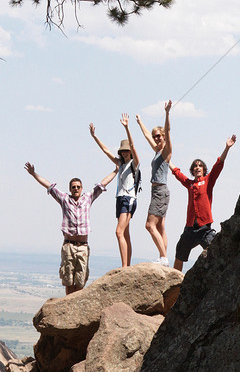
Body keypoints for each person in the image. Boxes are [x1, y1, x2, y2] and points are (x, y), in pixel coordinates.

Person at [25, 161, 117, 294]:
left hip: (83, 246)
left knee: (80, 280)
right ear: (70, 189)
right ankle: (68, 308)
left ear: (82, 188)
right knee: (68, 280)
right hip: (69, 246)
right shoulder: (64, 199)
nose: (76, 189)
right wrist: (34, 174)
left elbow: (103, 183)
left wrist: (116, 171)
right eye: (73, 187)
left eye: (78, 187)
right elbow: (48, 185)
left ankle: (76, 308)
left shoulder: (88, 198)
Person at [170, 134, 236, 271]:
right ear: (192, 170)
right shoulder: (190, 184)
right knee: (180, 252)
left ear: (204, 170)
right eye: (195, 166)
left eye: (200, 166)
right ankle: (175, 283)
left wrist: (227, 148)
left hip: (204, 228)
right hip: (190, 228)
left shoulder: (208, 181)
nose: (197, 167)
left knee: (215, 251)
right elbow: (178, 174)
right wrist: (167, 160)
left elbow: (218, 166)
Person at [89, 114, 140, 267]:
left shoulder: (134, 164)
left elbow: (133, 145)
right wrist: (94, 136)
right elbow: (105, 150)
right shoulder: (120, 163)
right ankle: (127, 265)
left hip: (128, 199)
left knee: (119, 232)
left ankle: (124, 266)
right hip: (120, 199)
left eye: (127, 151)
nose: (125, 153)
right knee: (125, 233)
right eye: (123, 151)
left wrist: (126, 127)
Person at [136, 100, 173, 265]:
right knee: (160, 227)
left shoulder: (166, 150)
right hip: (159, 192)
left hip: (160, 192)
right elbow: (146, 135)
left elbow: (169, 130)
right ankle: (163, 256)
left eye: (159, 136)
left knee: (149, 225)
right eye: (155, 136)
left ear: (164, 137)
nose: (156, 138)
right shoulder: (157, 151)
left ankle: (164, 258)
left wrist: (166, 113)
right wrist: (139, 122)